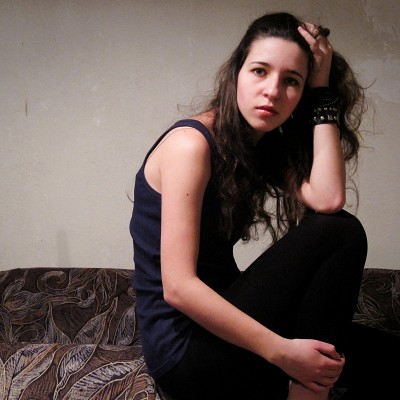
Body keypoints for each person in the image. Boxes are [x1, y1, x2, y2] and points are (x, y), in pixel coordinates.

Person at [130, 12, 398, 400]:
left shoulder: (259, 147)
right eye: (259, 71)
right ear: (236, 73)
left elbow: (328, 199)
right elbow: (179, 289)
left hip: (229, 330)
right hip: (185, 352)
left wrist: (322, 92)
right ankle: (306, 394)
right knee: (341, 232)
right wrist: (284, 353)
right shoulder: (190, 145)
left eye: (292, 81)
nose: (273, 91)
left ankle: (305, 384)